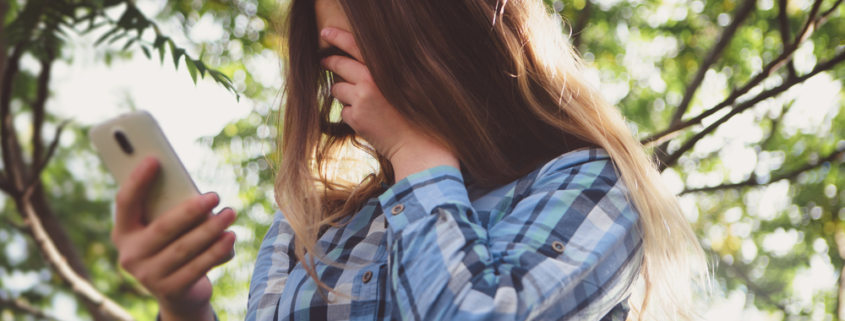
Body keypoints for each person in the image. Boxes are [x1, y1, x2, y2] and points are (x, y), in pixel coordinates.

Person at [110, 0, 710, 320]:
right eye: (334, 58)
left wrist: (415, 152)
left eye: (376, 49)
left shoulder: (587, 183)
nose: (355, 83)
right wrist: (184, 308)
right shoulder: (310, 228)